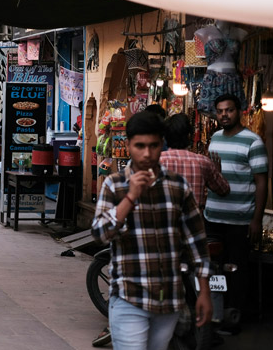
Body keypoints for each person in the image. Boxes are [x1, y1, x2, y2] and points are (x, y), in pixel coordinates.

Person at [92, 111, 212, 350]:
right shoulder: (114, 185)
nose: (147, 153)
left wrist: (204, 291)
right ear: (128, 145)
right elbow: (100, 234)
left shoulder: (178, 186)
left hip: (169, 298)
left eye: (153, 145)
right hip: (129, 296)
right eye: (140, 146)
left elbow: (196, 241)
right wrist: (130, 197)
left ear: (162, 145)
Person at [204, 93, 268, 323]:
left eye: (229, 110)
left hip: (240, 220)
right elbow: (212, 176)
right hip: (212, 216)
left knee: (237, 269)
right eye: (220, 111)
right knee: (212, 269)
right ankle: (213, 314)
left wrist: (256, 219)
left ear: (238, 111)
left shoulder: (253, 141)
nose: (224, 115)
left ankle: (233, 315)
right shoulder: (215, 138)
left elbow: (261, 181)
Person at [161, 113, 230, 210]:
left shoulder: (157, 161)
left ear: (166, 137)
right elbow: (224, 190)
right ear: (189, 135)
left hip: (165, 220)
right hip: (194, 222)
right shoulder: (202, 162)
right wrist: (217, 171)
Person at [194, 21, 248, 114]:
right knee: (215, 111)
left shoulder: (240, 33)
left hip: (232, 80)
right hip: (213, 78)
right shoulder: (204, 32)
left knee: (232, 111)